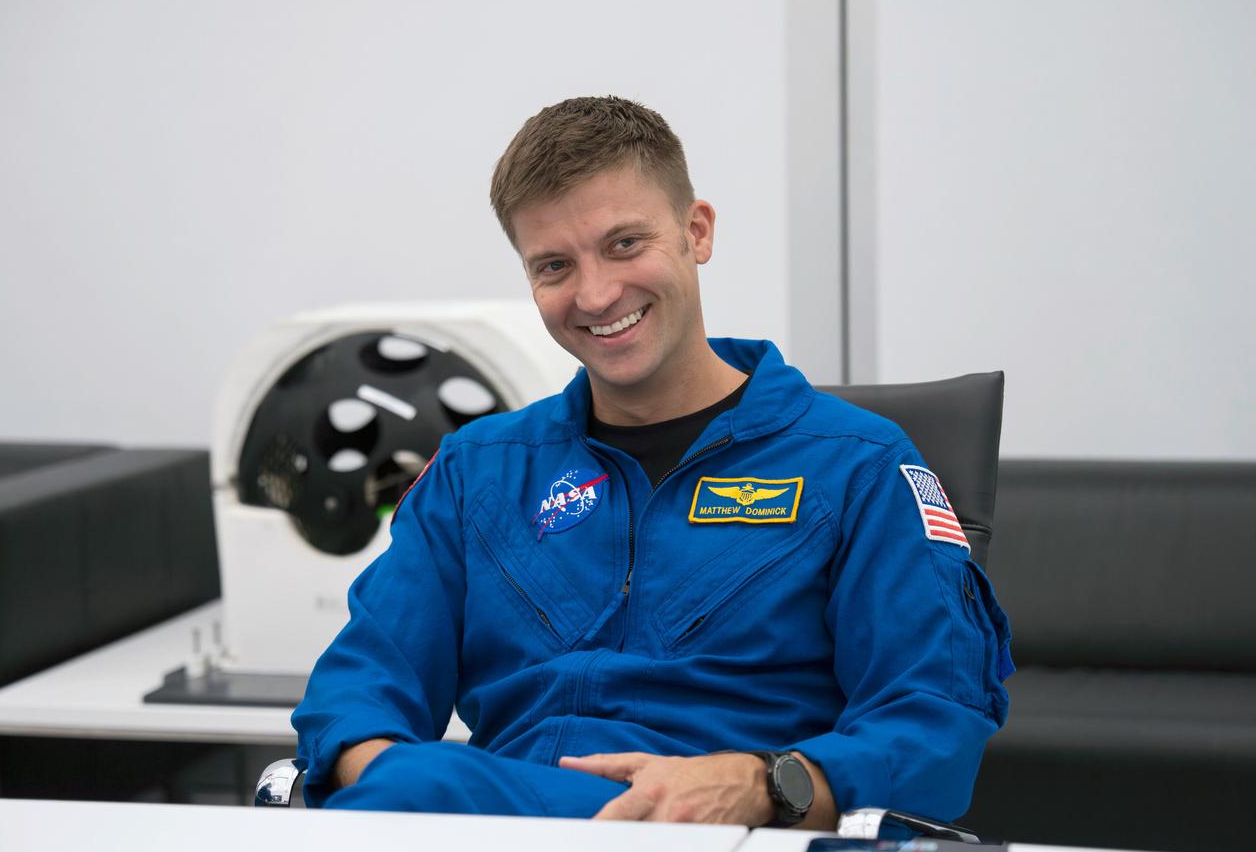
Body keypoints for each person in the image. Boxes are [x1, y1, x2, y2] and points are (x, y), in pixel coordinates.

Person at [291, 96, 1012, 827]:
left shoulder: (859, 466)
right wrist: (384, 780)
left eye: (625, 244)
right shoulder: (478, 471)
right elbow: (359, 687)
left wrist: (764, 784)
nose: (597, 294)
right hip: (494, 823)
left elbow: (935, 728)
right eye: (554, 266)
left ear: (697, 231)